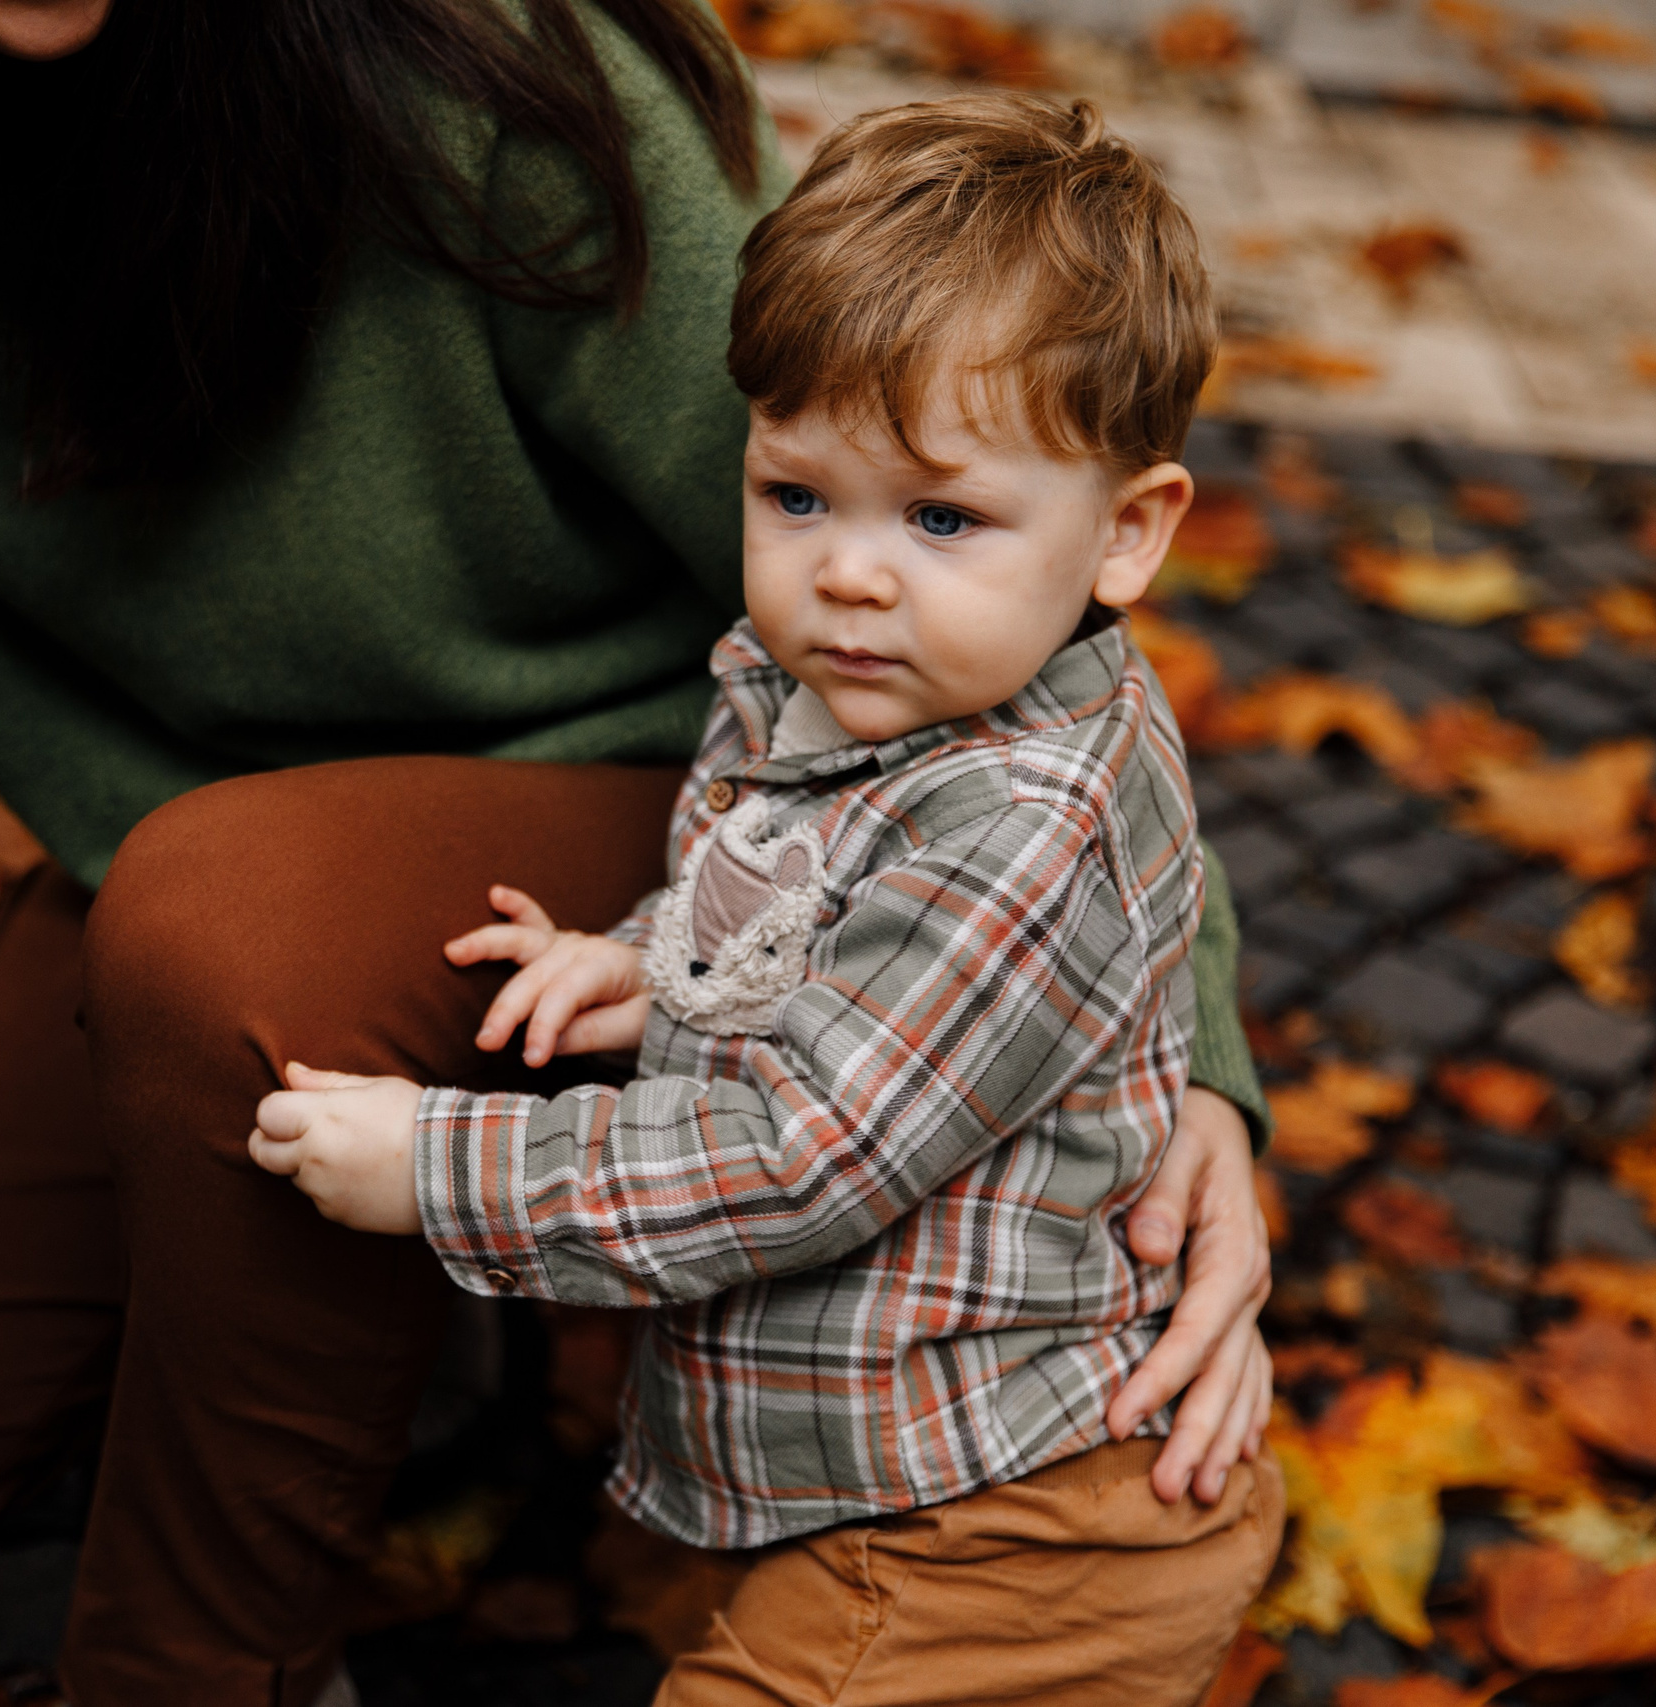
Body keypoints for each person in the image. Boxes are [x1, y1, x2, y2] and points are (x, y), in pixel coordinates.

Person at [0, 1, 1278, 1700]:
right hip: (225, 881)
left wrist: (1181, 1058)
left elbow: (997, 560)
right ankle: (387, 1314)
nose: (835, 543)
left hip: (708, 833)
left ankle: (202, 1668)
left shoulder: (484, 65)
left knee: (235, 929)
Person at [249, 94, 1282, 1707]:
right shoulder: (836, 685)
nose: (852, 573)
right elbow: (795, 907)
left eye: (942, 518)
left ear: (1129, 535)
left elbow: (800, 1155)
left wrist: (444, 1170)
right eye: (799, 496)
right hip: (874, 1478)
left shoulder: (1024, 827)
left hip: (1005, 1526)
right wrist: (650, 970)